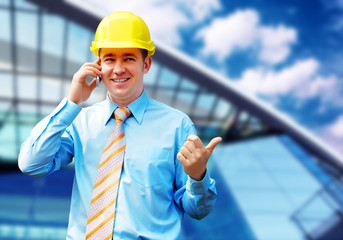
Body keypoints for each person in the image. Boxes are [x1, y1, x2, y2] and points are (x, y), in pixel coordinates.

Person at [18, 11, 221, 239]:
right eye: (110, 59)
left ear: (146, 64)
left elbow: (198, 210)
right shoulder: (80, 121)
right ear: (98, 66)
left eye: (129, 58)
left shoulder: (177, 125)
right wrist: (71, 102)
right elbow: (31, 164)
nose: (118, 69)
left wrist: (197, 176)